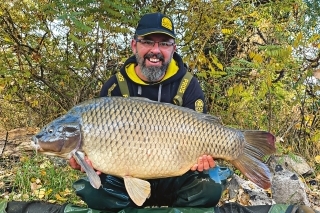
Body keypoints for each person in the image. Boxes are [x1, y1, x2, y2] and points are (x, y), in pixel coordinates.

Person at [1, 12, 318, 213]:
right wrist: (79, 163)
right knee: (87, 186)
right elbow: (92, 168)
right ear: (134, 46)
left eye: (163, 43)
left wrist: (207, 159)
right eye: (147, 42)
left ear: (173, 48)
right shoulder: (113, 89)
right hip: (126, 178)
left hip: (177, 174)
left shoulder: (189, 87)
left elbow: (201, 140)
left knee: (212, 184)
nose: (155, 50)